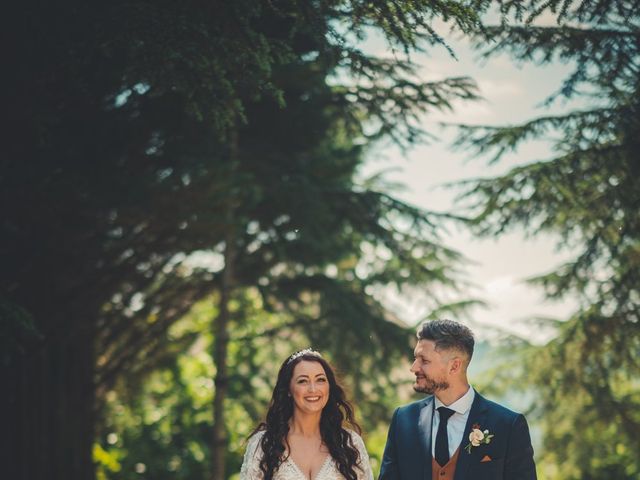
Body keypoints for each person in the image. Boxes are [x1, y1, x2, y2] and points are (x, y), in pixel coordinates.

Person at [379, 319, 537, 480]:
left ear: (454, 366)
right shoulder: (403, 419)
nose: (414, 367)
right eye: (415, 359)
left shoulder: (508, 425)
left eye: (424, 361)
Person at [240, 349, 374, 480]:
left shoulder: (350, 444)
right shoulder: (264, 445)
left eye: (320, 380)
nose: (313, 389)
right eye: (303, 381)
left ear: (329, 386)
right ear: (288, 390)